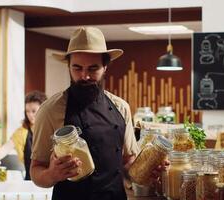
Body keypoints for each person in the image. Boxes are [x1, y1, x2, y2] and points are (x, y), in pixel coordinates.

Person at [31, 27, 165, 200]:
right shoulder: (50, 110)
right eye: (77, 68)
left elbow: (127, 162)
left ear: (105, 67)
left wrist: (148, 168)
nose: (84, 76)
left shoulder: (121, 107)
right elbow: (36, 170)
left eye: (93, 69)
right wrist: (51, 174)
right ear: (69, 66)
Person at [0, 90, 47, 180]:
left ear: (43, 110)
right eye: (27, 111)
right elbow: (5, 148)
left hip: (50, 183)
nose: (30, 115)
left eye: (34, 111)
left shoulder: (51, 130)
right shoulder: (22, 132)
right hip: (30, 182)